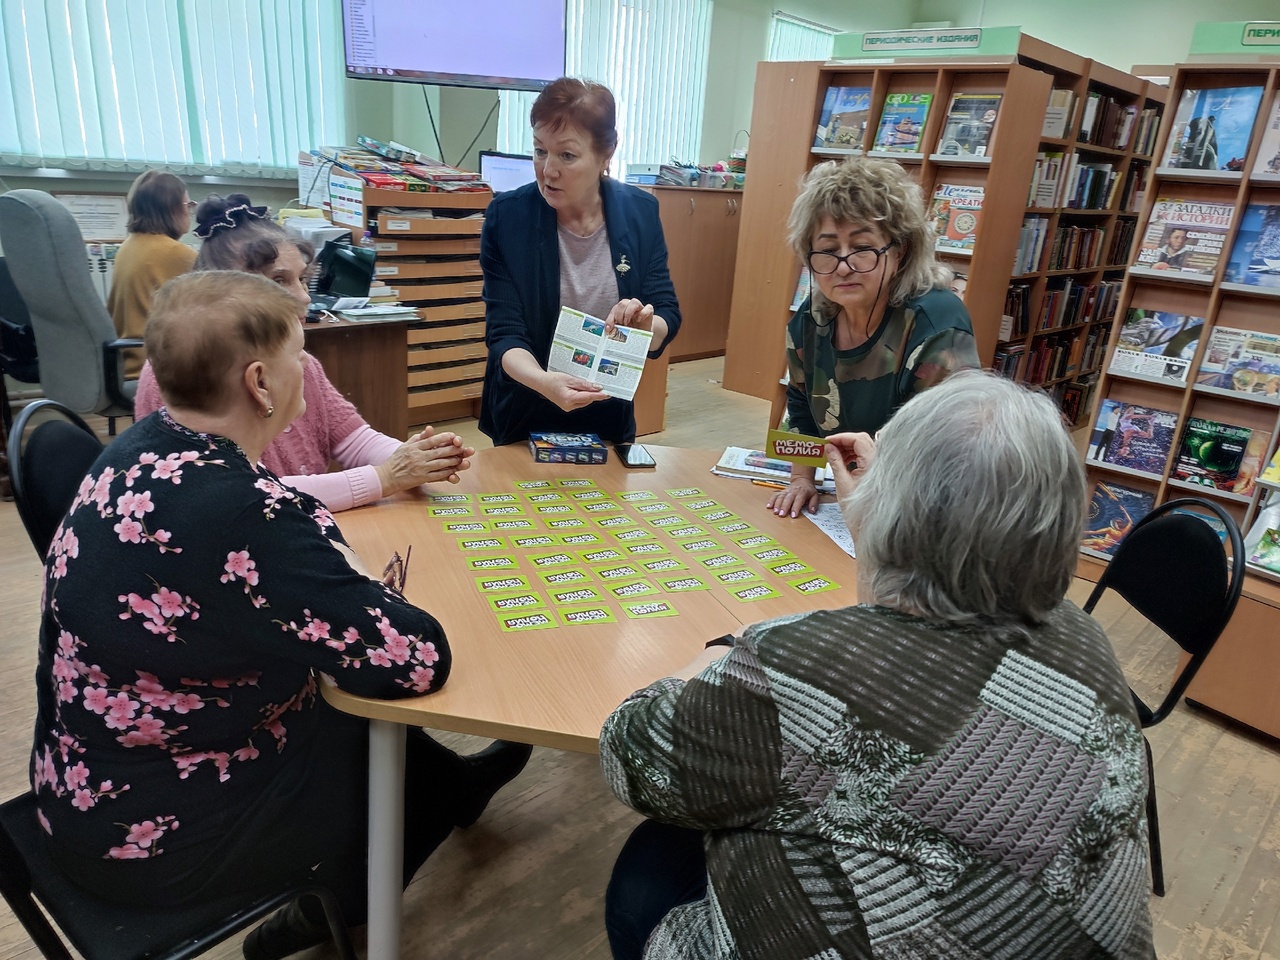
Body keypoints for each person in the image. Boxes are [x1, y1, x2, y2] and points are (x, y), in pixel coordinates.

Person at [31, 272, 530, 960]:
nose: (310, 369)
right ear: (261, 383)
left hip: (78, 787)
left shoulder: (138, 446)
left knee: (367, 725)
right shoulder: (246, 513)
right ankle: (333, 911)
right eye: (303, 353)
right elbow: (416, 658)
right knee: (383, 751)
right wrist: (356, 578)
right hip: (159, 836)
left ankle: (451, 791)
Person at [600, 371, 1153, 960]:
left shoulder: (798, 671)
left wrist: (718, 652)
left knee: (646, 874)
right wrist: (880, 530)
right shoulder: (1084, 636)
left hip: (902, 933)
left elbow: (628, 754)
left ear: (897, 508)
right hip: (1036, 930)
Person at [134, 194, 473, 512]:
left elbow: (352, 439)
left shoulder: (299, 362)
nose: (303, 297)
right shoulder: (182, 372)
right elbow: (245, 496)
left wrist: (417, 458)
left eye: (302, 279)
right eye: (278, 281)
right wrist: (386, 477)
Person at [769, 157, 980, 519]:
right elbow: (800, 406)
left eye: (862, 247)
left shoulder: (938, 323)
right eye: (829, 250)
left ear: (899, 252)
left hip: (926, 508)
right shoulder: (812, 317)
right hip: (855, 497)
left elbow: (951, 450)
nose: (843, 265)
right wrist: (802, 480)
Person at [478, 77, 681, 446]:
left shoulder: (640, 213)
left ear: (606, 154)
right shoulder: (507, 217)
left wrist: (646, 328)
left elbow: (667, 308)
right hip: (525, 412)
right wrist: (544, 383)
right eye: (540, 151)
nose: (547, 170)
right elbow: (505, 332)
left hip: (608, 413)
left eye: (567, 156)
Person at [107, 171, 198, 378]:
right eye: (188, 205)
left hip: (123, 362)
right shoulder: (175, 253)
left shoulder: (128, 246)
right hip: (152, 367)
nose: (189, 213)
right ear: (172, 209)